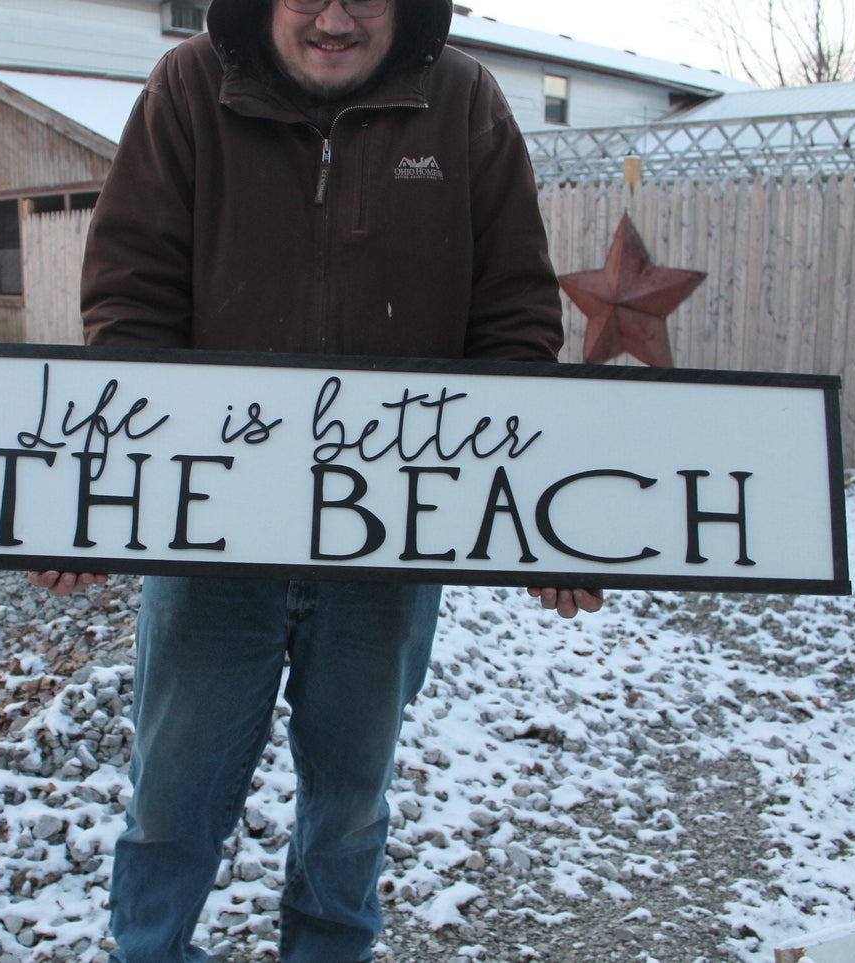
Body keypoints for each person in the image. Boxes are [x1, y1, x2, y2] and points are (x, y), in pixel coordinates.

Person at [30, 0, 603, 959]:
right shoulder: (187, 88)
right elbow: (131, 298)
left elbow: (512, 318)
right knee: (172, 795)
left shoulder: (463, 102)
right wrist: (105, 499)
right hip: (210, 538)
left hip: (388, 540)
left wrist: (534, 527)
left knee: (348, 807)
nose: (335, 17)